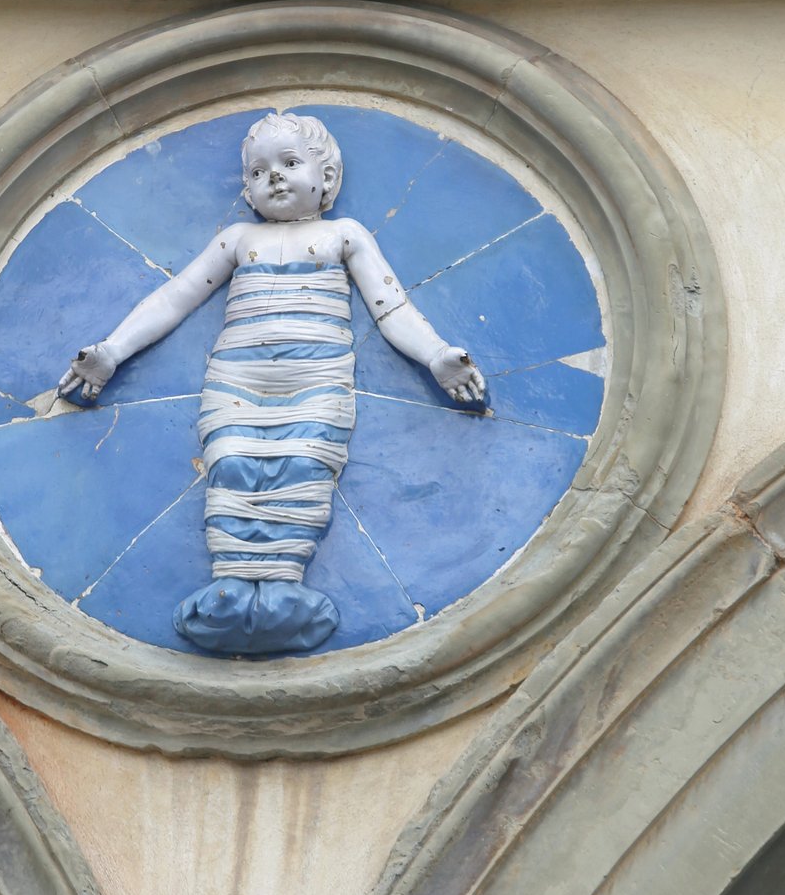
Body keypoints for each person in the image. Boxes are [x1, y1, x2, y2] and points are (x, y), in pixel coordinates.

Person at [59, 110, 487, 655]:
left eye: (290, 163)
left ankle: (283, 589)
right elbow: (175, 298)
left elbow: (392, 306)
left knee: (304, 465)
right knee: (232, 463)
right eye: (260, 172)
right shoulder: (239, 239)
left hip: (317, 378)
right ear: (248, 189)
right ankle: (230, 588)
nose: (276, 177)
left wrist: (437, 357)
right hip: (236, 380)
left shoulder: (343, 235)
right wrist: (112, 352)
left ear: (326, 178)